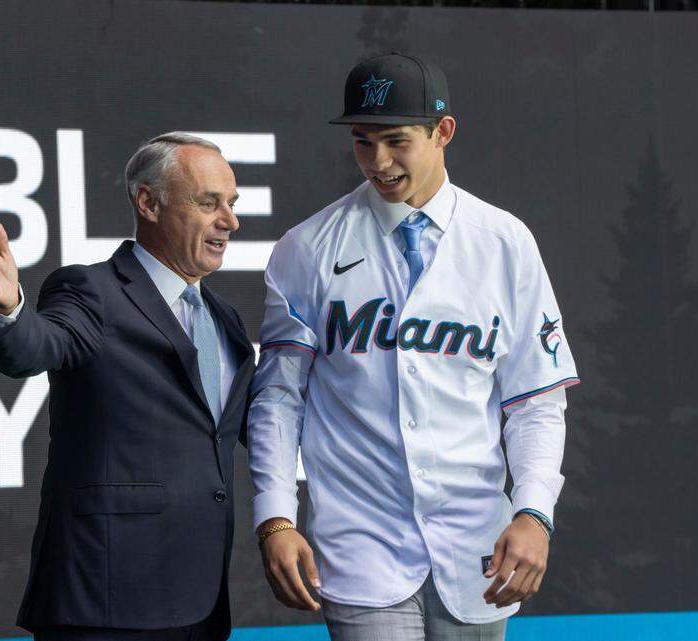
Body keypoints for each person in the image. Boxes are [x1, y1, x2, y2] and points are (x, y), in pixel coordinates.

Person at [248, 52, 580, 640]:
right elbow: (278, 399)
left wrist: (533, 512)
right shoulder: (306, 248)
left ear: (442, 132)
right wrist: (275, 518)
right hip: (361, 543)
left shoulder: (505, 243)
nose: (378, 161)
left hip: (478, 544)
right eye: (362, 140)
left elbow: (534, 402)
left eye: (396, 140)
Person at [0, 132, 255, 641]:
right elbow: (36, 346)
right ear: (148, 202)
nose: (229, 221)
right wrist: (10, 310)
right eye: (209, 203)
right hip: (104, 599)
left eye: (231, 204)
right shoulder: (91, 290)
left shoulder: (225, 319)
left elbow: (252, 428)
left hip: (201, 601)